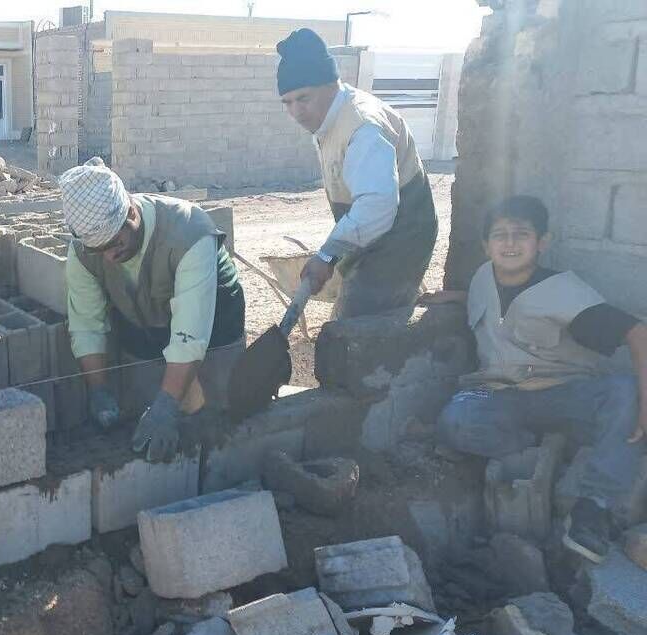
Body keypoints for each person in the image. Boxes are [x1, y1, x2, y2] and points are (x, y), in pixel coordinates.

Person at [425, 196, 647, 564]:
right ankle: (542, 450)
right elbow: (497, 306)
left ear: (542, 242)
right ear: (486, 245)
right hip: (501, 395)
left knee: (624, 393)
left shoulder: (564, 292)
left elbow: (636, 332)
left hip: (566, 394)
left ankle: (594, 507)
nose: (510, 243)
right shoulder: (483, 277)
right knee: (455, 421)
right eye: (500, 235)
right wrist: (454, 297)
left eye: (521, 234)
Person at [59, 157, 245, 461]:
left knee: (214, 423)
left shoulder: (188, 231)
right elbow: (86, 324)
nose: (108, 257)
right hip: (147, 325)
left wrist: (166, 406)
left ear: (131, 212)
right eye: (98, 249)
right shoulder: (82, 253)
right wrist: (99, 391)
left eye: (115, 242)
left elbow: (190, 335)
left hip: (213, 330)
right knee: (146, 423)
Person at [276, 28, 437, 318]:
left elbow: (376, 205)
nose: (296, 112)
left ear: (331, 85)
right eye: (287, 103)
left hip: (401, 236)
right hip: (372, 234)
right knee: (354, 316)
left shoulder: (363, 127)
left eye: (303, 98)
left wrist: (327, 255)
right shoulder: (330, 118)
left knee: (360, 321)